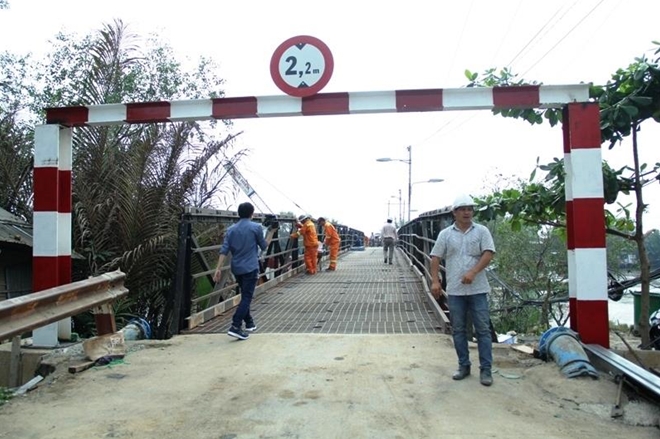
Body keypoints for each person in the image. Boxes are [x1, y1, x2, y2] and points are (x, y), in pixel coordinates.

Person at [430, 194, 496, 386]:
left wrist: (473, 272)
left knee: (482, 329)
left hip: (478, 288)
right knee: (458, 329)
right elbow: (435, 257)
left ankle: (486, 370)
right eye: (463, 209)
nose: (467, 213)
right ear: (455, 213)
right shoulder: (445, 234)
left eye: (470, 209)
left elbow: (488, 253)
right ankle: (463, 366)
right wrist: (435, 281)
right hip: (455, 290)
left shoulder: (482, 231)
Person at [213, 202, 271, 340]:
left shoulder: (231, 229)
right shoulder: (256, 227)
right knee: (247, 297)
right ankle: (235, 326)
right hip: (250, 267)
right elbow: (264, 246)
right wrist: (272, 232)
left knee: (245, 294)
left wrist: (218, 268)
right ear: (252, 213)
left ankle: (249, 323)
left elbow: (224, 250)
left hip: (237, 268)